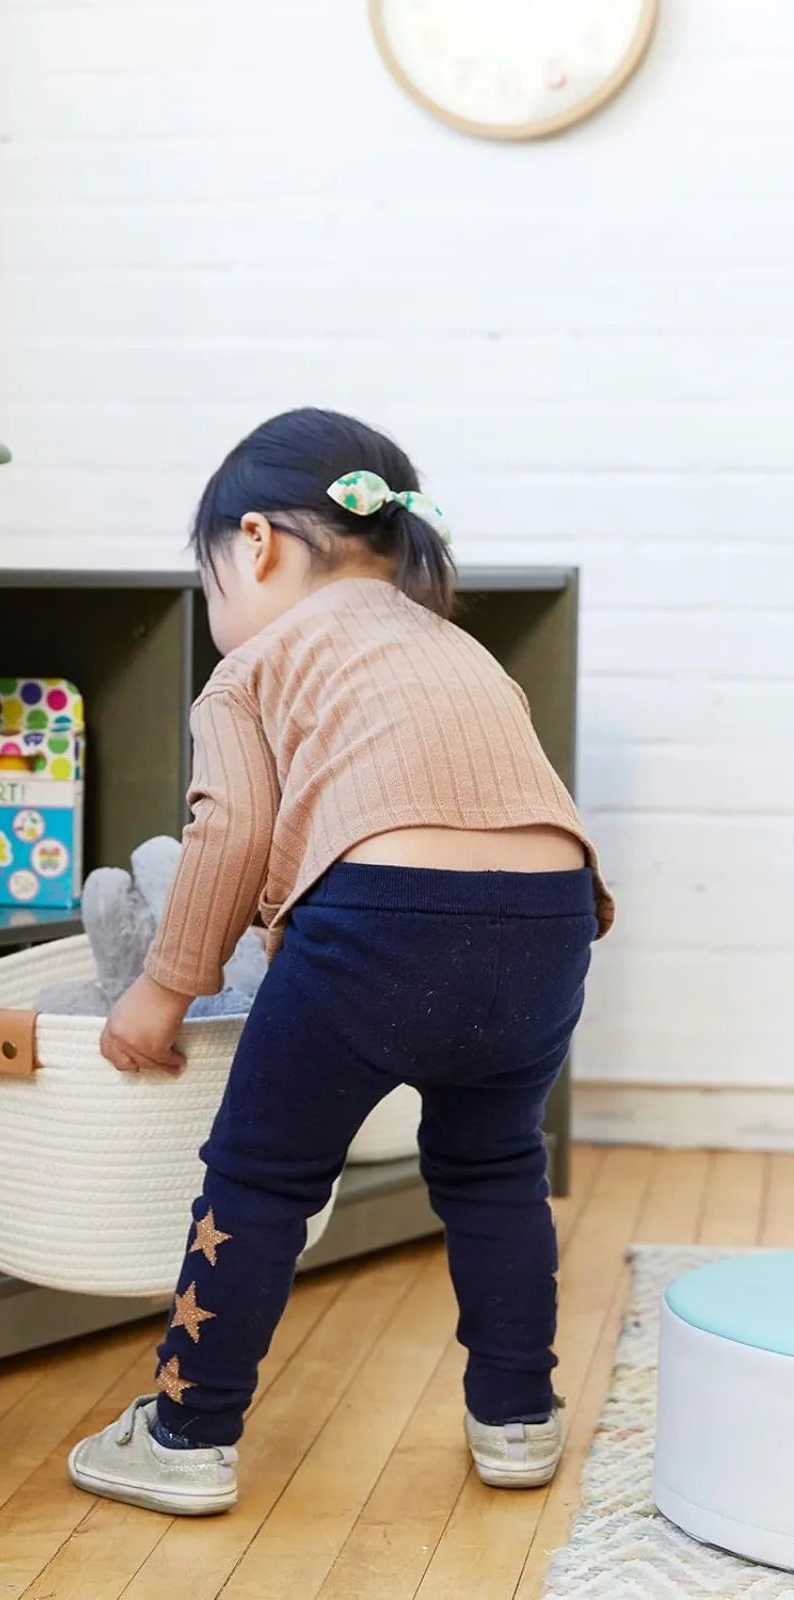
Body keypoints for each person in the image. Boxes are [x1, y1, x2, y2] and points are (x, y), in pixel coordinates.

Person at [67, 409, 614, 1517]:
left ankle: (185, 1432)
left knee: (262, 1177)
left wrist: (161, 989)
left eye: (212, 582)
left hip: (381, 922)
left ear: (254, 543)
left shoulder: (255, 668)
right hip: (551, 922)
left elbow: (229, 834)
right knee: (494, 1166)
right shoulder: (457, 647)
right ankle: (516, 1417)